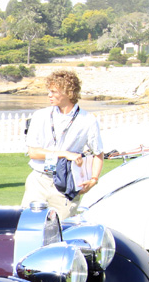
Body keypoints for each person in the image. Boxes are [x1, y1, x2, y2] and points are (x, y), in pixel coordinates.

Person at [21, 70, 105, 219]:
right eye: (49, 91)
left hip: (67, 184)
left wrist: (93, 180)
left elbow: (98, 153)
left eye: (54, 92)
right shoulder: (40, 116)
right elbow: (33, 152)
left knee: (61, 230)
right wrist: (65, 154)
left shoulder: (88, 120)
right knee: (29, 226)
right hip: (39, 180)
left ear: (68, 92)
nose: (49, 95)